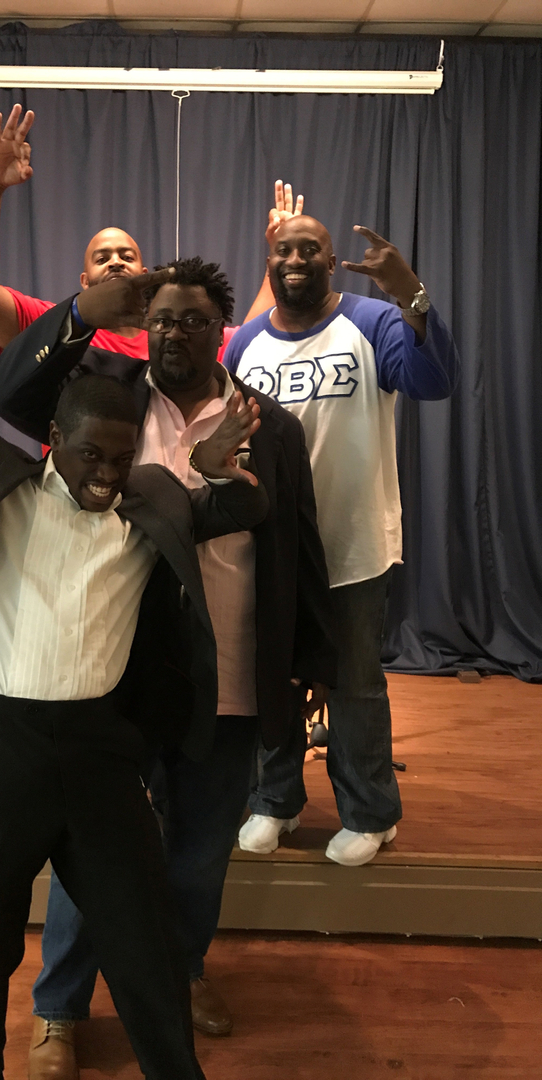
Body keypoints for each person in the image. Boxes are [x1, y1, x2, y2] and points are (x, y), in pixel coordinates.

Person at [0, 349, 268, 1080]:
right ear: (54, 440)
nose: (107, 474)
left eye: (121, 458)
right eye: (91, 454)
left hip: (102, 753)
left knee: (146, 943)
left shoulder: (152, 497)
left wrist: (217, 470)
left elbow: (242, 509)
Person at [0, 261, 336, 1078]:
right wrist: (79, 312)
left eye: (193, 320)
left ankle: (182, 974)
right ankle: (59, 1008)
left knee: (201, 851)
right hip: (115, 676)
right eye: (163, 319)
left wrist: (307, 660)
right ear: (145, 328)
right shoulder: (109, 403)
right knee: (91, 853)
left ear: (223, 331)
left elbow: (297, 546)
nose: (175, 332)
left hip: (233, 677)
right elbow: (9, 395)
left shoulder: (271, 427)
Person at [223, 215, 461, 868]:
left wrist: (410, 293)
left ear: (332, 262)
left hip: (353, 543)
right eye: (284, 250)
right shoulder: (246, 343)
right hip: (272, 548)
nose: (296, 259)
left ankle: (370, 812)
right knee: (271, 678)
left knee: (355, 685)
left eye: (311, 249)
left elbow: (435, 381)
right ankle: (274, 800)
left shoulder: (371, 321)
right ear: (269, 263)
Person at [0, 104, 294, 362]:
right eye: (102, 258)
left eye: (126, 256)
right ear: (85, 282)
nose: (115, 262)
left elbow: (252, 340)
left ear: (145, 275)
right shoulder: (54, 328)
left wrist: (280, 253)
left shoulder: (182, 334)